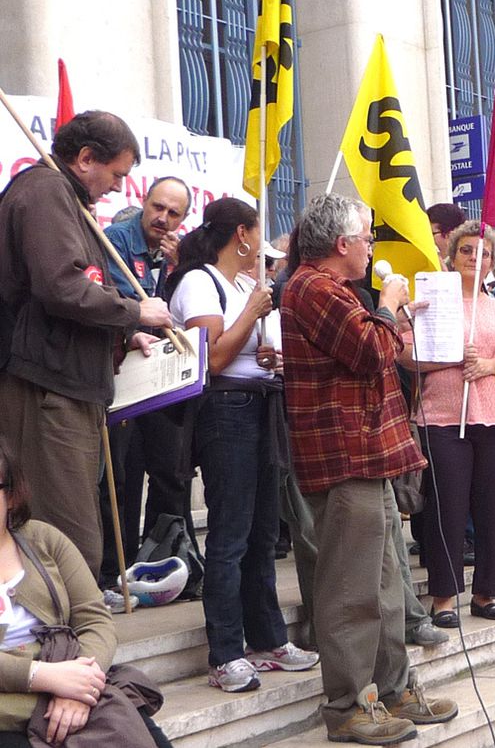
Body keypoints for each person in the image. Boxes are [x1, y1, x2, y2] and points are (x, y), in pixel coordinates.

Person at [281, 194, 456, 744]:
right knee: (351, 589)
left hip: (368, 456)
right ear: (342, 244)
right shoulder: (311, 287)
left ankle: (394, 689)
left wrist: (388, 311)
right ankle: (349, 706)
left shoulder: (335, 290)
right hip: (341, 458)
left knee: (385, 585)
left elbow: (373, 354)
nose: (371, 246)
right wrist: (388, 303)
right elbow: (371, 352)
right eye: (366, 238)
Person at [0, 110, 172, 579]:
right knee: (67, 539)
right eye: (116, 174)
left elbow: (80, 288)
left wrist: (121, 330)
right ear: (84, 158)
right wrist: (136, 312)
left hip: (69, 384)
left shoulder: (66, 198)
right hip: (47, 387)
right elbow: (61, 287)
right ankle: (61, 646)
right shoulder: (46, 192)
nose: (118, 188)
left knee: (72, 536)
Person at [165, 197, 318, 693]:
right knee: (230, 535)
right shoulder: (200, 282)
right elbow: (208, 359)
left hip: (262, 406)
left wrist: (270, 357)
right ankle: (225, 652)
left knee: (260, 533)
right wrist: (251, 314)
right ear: (242, 235)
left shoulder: (245, 285)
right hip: (225, 412)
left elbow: (248, 352)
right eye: (257, 233)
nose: (262, 249)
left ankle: (269, 639)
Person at [399, 221, 495, 628]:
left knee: (494, 510)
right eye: (467, 251)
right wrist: (456, 357)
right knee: (447, 509)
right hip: (443, 418)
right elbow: (406, 354)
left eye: (485, 253)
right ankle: (443, 596)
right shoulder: (431, 304)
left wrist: (489, 365)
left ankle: (485, 592)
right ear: (452, 257)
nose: (476, 258)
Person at [0, 438, 173, 748]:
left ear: (11, 495)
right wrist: (46, 678)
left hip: (71, 679)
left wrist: (80, 689)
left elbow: (94, 619)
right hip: (11, 709)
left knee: (140, 733)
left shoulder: (43, 540)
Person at [99, 177, 197, 587]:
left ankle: (166, 557)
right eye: (158, 207)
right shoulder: (117, 239)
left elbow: (175, 309)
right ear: (144, 201)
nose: (163, 218)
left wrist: (176, 268)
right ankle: (111, 569)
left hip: (159, 376)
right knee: (117, 474)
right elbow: (118, 299)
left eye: (174, 213)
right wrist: (132, 327)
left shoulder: (175, 252)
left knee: (170, 470)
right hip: (121, 370)